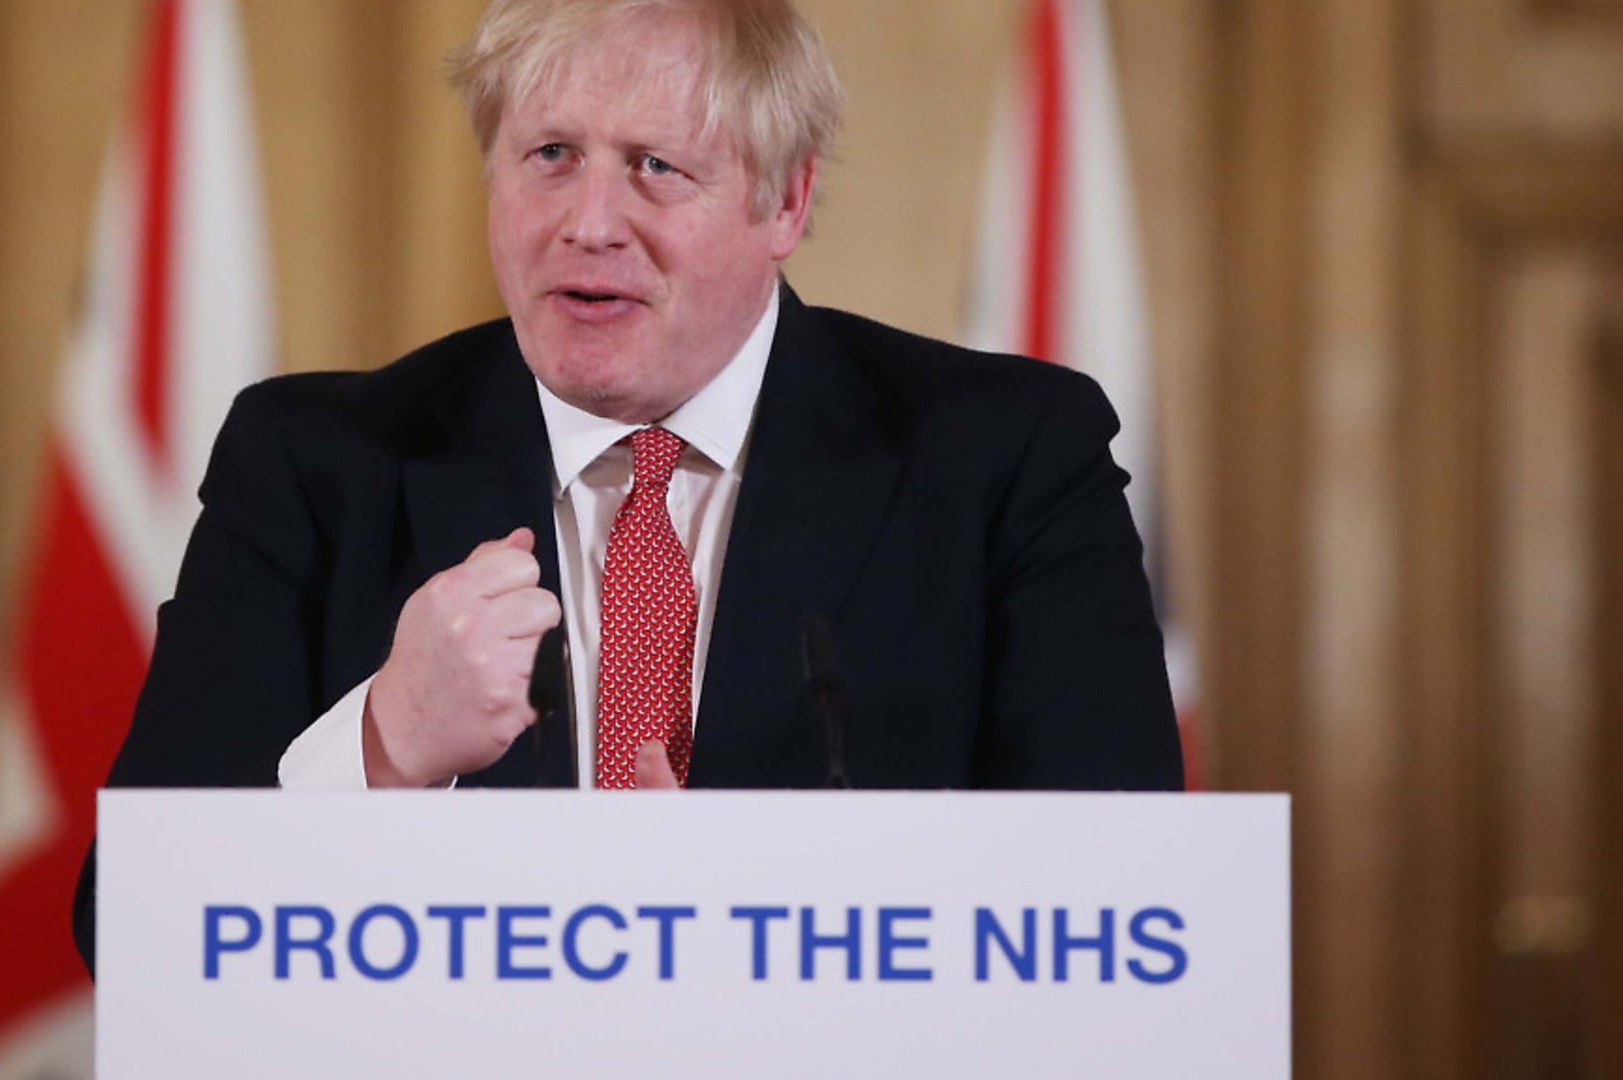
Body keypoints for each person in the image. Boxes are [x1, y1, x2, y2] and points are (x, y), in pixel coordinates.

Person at [74, 0, 1182, 974]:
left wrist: (746, 913)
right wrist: (382, 745)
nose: (589, 221)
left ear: (785, 201)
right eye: (549, 153)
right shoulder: (315, 463)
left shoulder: (1005, 460)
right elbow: (123, 932)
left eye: (655, 165)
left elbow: (1120, 912)